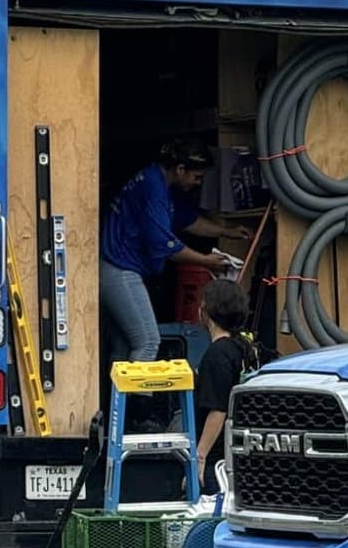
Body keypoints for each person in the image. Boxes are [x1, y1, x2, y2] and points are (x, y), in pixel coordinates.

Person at [98, 141, 242, 367]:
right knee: (148, 342)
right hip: (119, 269)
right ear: (180, 169)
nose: (198, 183)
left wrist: (226, 231)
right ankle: (137, 391)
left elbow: (188, 221)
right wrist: (206, 261)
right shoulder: (154, 187)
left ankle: (118, 392)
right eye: (197, 177)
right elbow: (164, 246)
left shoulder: (164, 185)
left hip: (116, 268)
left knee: (123, 347)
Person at [194, 277, 259, 487]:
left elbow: (218, 410)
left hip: (216, 459)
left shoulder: (217, 354)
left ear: (208, 310)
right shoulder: (244, 347)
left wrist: (200, 457)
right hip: (238, 452)